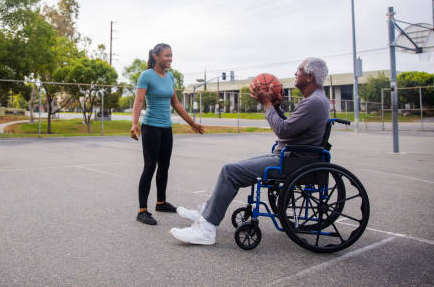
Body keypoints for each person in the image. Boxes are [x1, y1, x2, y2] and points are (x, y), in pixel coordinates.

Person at [169, 57, 331, 244]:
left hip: (292, 161)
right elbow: (291, 128)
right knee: (234, 167)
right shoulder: (316, 100)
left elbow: (283, 130)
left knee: (230, 172)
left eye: (299, 70)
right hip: (291, 156)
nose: (295, 73)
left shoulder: (314, 102)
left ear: (309, 76)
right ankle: (206, 211)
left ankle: (206, 229)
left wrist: (267, 104)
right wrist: (276, 108)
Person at [131, 43, 206, 225]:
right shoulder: (146, 75)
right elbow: (139, 101)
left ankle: (161, 202)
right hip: (151, 127)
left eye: (171, 55)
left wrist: (192, 123)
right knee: (150, 167)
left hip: (166, 128)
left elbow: (177, 104)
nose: (170, 59)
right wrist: (134, 123)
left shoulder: (170, 77)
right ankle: (142, 210)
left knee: (164, 166)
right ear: (156, 56)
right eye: (166, 55)